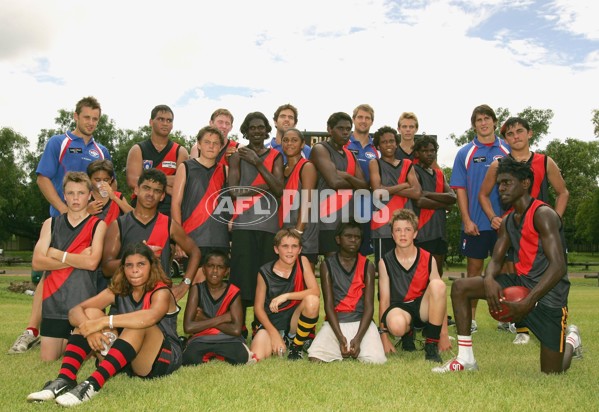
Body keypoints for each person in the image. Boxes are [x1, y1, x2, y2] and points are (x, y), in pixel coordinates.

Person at [433, 158, 582, 374]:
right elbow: (496, 258)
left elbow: (558, 266)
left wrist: (529, 301)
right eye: (499, 184)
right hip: (521, 284)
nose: (501, 188)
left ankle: (571, 339)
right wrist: (490, 278)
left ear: (525, 183)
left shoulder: (544, 214)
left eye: (507, 183)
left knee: (553, 370)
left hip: (548, 295)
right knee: (461, 287)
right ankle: (466, 359)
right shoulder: (508, 220)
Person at [26, 242, 182, 406]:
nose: (134, 270)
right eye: (129, 265)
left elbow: (149, 318)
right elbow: (75, 311)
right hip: (126, 355)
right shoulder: (120, 289)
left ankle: (92, 384)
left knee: (137, 323)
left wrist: (103, 321)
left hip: (161, 358)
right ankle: (65, 378)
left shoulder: (162, 291)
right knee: (89, 314)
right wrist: (89, 329)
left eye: (141, 264)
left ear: (152, 266)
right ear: (122, 268)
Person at [479, 116, 570, 343]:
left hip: (540, 230)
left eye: (520, 131)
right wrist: (493, 217)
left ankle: (560, 327)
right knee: (513, 273)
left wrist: (555, 219)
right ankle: (521, 330)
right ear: (505, 139)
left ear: (530, 134)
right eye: (510, 134)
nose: (515, 136)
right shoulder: (498, 164)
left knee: (553, 274)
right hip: (512, 231)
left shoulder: (545, 161)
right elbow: (483, 194)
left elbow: (563, 192)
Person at [32, 172, 107, 361]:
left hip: (83, 304)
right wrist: (76, 258)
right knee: (48, 360)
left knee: (85, 355)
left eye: (81, 193)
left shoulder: (97, 225)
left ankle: (82, 337)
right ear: (64, 195)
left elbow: (91, 263)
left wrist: (58, 254)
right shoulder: (51, 224)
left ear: (90, 195)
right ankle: (73, 341)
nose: (75, 198)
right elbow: (38, 262)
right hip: (54, 303)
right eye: (71, 193)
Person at [449, 104, 510, 333]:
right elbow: (460, 189)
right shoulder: (465, 152)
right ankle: (471, 321)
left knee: (505, 272)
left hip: (504, 225)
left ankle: (506, 318)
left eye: (487, 119)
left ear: (495, 122)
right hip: (475, 224)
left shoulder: (507, 149)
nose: (483, 123)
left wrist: (509, 219)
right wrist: (466, 219)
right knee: (474, 274)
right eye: (478, 120)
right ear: (474, 125)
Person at [102, 169, 201, 301]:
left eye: (157, 191)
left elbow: (195, 252)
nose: (151, 194)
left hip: (160, 300)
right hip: (126, 299)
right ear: (136, 190)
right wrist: (140, 258)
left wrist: (185, 285)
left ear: (162, 196)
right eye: (146, 188)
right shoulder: (119, 225)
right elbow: (106, 268)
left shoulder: (169, 224)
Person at [228, 112, 284, 316]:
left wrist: (258, 163)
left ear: (267, 130)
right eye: (252, 128)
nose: (257, 131)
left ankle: (262, 326)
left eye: (261, 127)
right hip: (244, 225)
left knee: (268, 281)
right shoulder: (237, 156)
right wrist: (265, 187)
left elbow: (279, 189)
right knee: (241, 282)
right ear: (246, 131)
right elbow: (233, 191)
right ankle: (239, 328)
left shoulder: (275, 156)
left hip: (269, 226)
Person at [307, 221, 386, 364]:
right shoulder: (327, 265)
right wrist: (340, 337)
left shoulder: (368, 266)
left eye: (357, 237)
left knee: (377, 360)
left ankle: (352, 346)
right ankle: (343, 346)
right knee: (315, 357)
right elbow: (329, 306)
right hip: (336, 323)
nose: (353, 240)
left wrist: (358, 338)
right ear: (338, 239)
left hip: (362, 323)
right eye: (348, 236)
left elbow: (369, 307)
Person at [378, 209, 449, 363]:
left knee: (438, 285)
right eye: (398, 230)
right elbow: (384, 301)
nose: (403, 234)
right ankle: (407, 334)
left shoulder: (428, 258)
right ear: (392, 234)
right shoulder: (385, 262)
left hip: (422, 308)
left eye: (408, 230)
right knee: (397, 326)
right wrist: (384, 337)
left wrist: (444, 334)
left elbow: (440, 296)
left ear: (415, 233)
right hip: (400, 308)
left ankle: (431, 346)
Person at [36, 96, 114, 218]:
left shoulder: (102, 151)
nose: (91, 123)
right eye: (87, 118)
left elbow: (111, 185)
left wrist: (100, 204)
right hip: (62, 220)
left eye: (95, 119)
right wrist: (65, 211)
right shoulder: (58, 142)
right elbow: (42, 179)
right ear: (76, 116)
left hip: (93, 222)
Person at [250, 229, 320, 360]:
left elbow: (315, 291)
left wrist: (286, 296)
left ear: (299, 250)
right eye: (285, 246)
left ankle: (296, 346)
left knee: (312, 301)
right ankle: (280, 339)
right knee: (256, 355)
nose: (290, 251)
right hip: (272, 323)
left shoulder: (302, 262)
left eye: (294, 246)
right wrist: (274, 334)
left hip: (295, 322)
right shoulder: (264, 271)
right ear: (276, 249)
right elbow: (258, 309)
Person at [171, 126, 230, 271]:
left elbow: (231, 203)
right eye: (207, 142)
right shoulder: (186, 167)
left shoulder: (225, 170)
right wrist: (179, 239)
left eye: (216, 143)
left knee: (216, 287)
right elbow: (175, 204)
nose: (211, 146)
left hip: (219, 238)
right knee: (194, 286)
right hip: (192, 237)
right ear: (198, 144)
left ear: (221, 147)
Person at [310, 112, 368, 257]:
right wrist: (354, 181)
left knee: (348, 266)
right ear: (330, 129)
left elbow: (364, 187)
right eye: (340, 128)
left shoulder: (350, 154)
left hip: (348, 220)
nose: (345, 132)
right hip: (327, 218)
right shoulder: (320, 149)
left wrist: (347, 175)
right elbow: (334, 182)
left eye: (348, 129)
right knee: (331, 266)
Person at [182, 251, 255, 366]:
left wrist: (203, 318)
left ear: (226, 271)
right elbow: (188, 327)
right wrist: (223, 318)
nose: (215, 271)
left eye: (220, 267)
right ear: (204, 270)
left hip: (228, 339)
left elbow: (236, 330)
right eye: (210, 266)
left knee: (241, 357)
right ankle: (217, 355)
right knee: (189, 358)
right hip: (201, 339)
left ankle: (213, 355)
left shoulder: (233, 291)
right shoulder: (196, 290)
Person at [369, 126, 421, 266]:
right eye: (384, 142)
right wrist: (404, 185)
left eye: (391, 141)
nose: (389, 144)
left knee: (405, 267)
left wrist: (388, 189)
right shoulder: (375, 163)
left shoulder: (407, 164)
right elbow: (378, 193)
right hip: (383, 226)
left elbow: (417, 192)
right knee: (384, 268)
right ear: (378, 146)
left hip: (405, 225)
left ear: (396, 143)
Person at [126, 104, 189, 216]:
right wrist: (168, 188)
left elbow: (182, 182)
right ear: (151, 122)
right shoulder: (137, 149)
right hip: (141, 208)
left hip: (170, 209)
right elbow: (132, 181)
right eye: (161, 119)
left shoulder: (180, 151)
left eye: (169, 120)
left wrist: (148, 181)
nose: (165, 123)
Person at [413, 136, 456, 277]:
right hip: (423, 231)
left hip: (439, 231)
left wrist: (427, 194)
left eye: (432, 150)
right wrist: (444, 205)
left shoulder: (439, 174)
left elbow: (453, 197)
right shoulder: (414, 171)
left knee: (437, 274)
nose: (430, 153)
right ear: (417, 153)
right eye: (425, 151)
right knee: (421, 275)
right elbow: (419, 201)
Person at [279, 128, 319, 270]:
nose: (289, 143)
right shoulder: (282, 168)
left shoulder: (307, 166)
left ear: (302, 144)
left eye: (294, 140)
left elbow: (307, 200)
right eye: (286, 140)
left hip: (304, 234)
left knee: (305, 281)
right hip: (285, 232)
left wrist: (298, 231)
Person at [346, 104, 379, 256]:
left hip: (366, 206)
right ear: (353, 119)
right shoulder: (344, 142)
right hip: (343, 205)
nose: (363, 121)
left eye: (367, 118)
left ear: (372, 121)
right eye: (360, 117)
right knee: (344, 250)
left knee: (362, 251)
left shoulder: (377, 148)